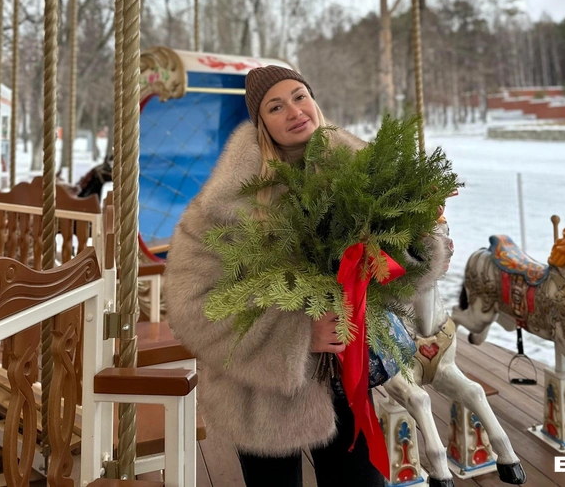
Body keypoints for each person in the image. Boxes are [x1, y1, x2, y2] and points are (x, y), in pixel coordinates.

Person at [164, 66, 445, 487]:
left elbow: (398, 270)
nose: (295, 111)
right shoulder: (222, 206)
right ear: (261, 122)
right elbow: (191, 304)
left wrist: (421, 239)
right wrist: (296, 333)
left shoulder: (364, 175)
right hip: (261, 396)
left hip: (348, 376)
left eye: (299, 96)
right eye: (276, 106)